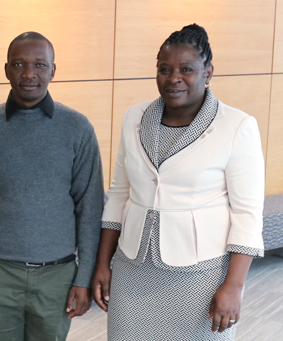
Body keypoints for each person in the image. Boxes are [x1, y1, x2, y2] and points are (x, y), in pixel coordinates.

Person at [92, 24, 265, 340]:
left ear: (208, 72)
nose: (174, 78)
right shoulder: (135, 116)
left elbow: (247, 214)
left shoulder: (237, 126)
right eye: (164, 69)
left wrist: (234, 286)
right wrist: (103, 263)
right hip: (133, 269)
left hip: (200, 275)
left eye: (186, 69)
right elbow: (119, 194)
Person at [0, 32, 104, 340]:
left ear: (53, 70)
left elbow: (89, 210)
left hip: (58, 276)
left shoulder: (77, 128)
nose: (28, 74)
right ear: (6, 69)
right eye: (19, 64)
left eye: (39, 64)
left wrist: (84, 279)